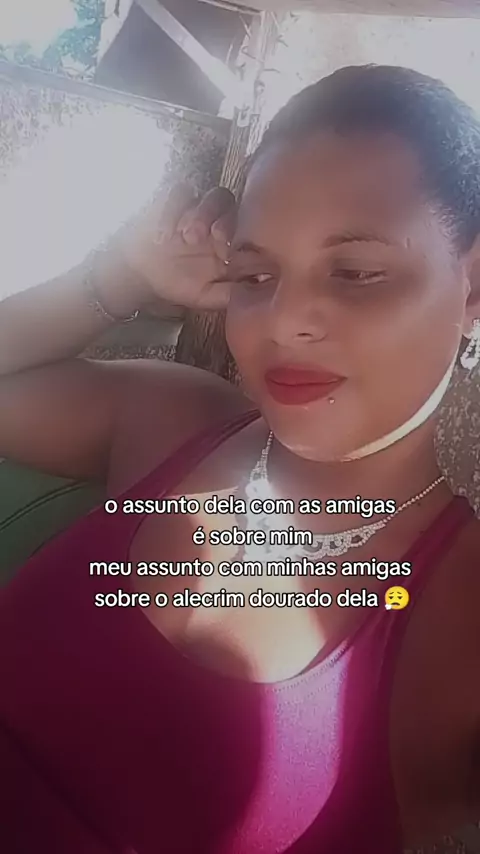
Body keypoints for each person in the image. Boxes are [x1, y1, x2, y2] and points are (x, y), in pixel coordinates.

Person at [1, 64, 480, 854]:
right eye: (255, 275)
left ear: (471, 288)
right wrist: (121, 275)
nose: (284, 320)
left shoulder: (460, 618)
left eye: (356, 273)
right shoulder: (174, 424)